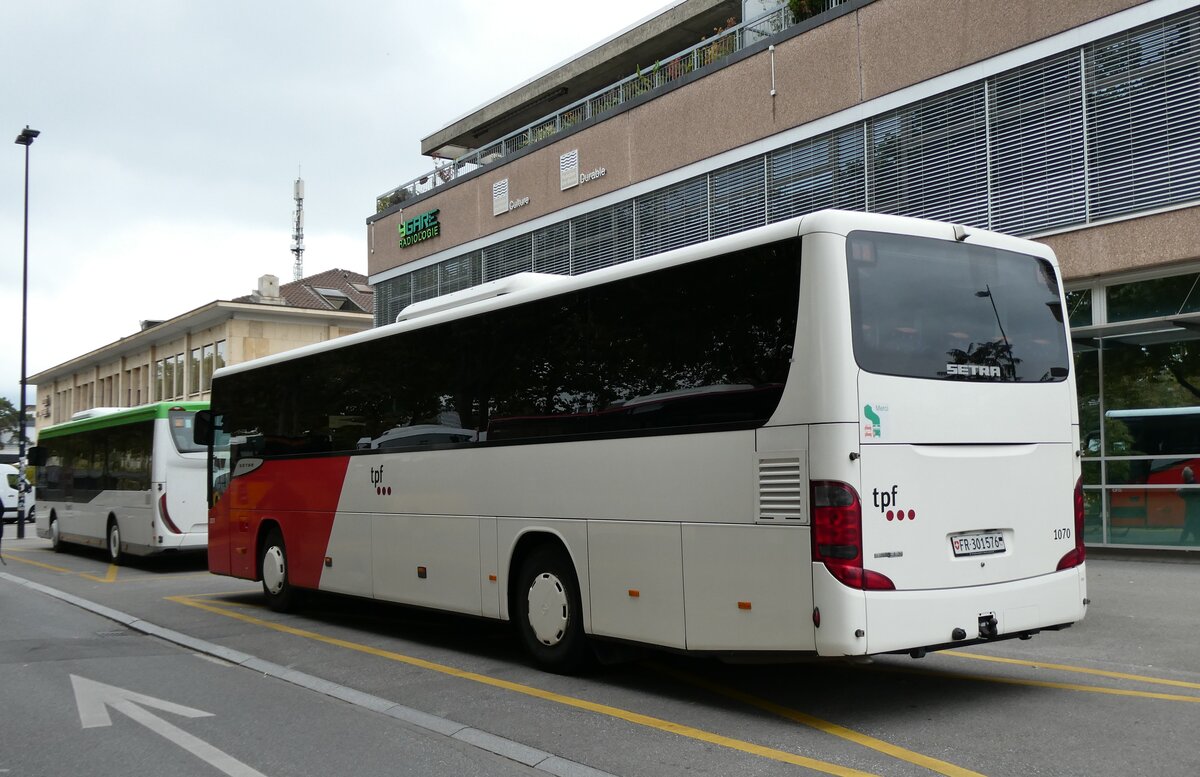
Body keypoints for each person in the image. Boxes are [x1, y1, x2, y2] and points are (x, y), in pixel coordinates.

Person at [1180, 467, 1200, 545]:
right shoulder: (1194, 483)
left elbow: (1185, 495)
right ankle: (1197, 541)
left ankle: (1180, 542)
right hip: (1194, 509)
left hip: (1193, 510)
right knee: (1193, 527)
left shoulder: (1191, 485)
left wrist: (1180, 491)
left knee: (1188, 527)